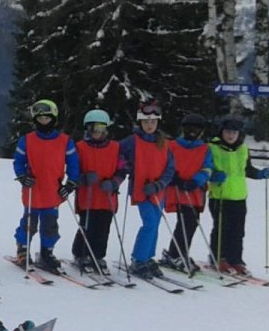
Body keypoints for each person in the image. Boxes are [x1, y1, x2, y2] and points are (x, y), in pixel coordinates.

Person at [12, 99, 80, 273]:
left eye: (47, 118)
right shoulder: (27, 140)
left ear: (54, 119)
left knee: (50, 225)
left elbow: (74, 164)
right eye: (40, 119)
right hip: (32, 191)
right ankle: (23, 248)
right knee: (29, 223)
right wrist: (22, 176)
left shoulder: (65, 141)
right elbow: (18, 161)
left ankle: (46, 252)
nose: (44, 122)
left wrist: (70, 183)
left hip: (53, 192)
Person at [118, 100, 175, 280]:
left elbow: (170, 168)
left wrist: (160, 184)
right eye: (146, 122)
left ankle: (148, 256)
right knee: (149, 223)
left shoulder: (164, 143)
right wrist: (126, 166)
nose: (149, 125)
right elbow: (118, 154)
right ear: (140, 123)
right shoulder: (132, 141)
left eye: (153, 122)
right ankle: (138, 259)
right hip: (141, 189)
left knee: (156, 223)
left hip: (158, 190)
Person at [207, 116, 269, 276]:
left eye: (234, 132)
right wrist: (212, 175)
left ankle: (235, 259)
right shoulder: (212, 147)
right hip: (219, 195)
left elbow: (247, 170)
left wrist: (260, 174)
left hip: (239, 196)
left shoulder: (242, 149)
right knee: (221, 229)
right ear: (221, 132)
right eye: (227, 132)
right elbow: (205, 168)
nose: (230, 135)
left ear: (239, 134)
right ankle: (218, 257)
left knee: (238, 231)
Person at [70, 109, 125, 274]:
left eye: (101, 128)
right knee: (87, 225)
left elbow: (123, 169)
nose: (97, 132)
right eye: (93, 128)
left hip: (106, 196)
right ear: (87, 129)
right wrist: (82, 178)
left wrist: (114, 183)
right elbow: (72, 169)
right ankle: (80, 253)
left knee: (103, 227)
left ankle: (98, 255)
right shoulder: (80, 147)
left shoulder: (115, 147)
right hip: (87, 196)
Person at [160, 113, 213, 274]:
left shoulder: (204, 148)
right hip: (176, 189)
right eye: (189, 128)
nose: (192, 132)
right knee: (186, 221)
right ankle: (176, 254)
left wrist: (197, 180)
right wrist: (171, 177)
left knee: (192, 222)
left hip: (194, 190)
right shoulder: (173, 145)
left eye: (196, 129)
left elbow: (208, 168)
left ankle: (177, 253)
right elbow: (164, 162)